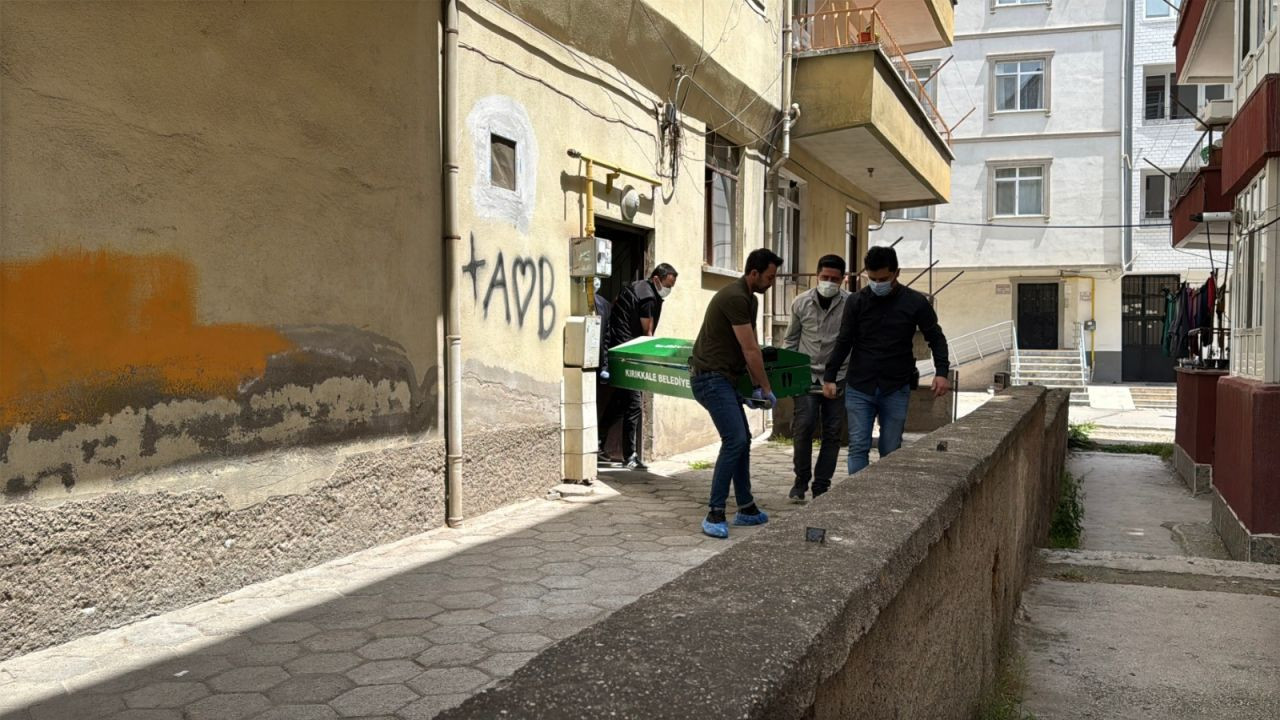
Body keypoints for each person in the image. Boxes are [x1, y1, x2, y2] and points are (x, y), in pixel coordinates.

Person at [823, 246, 950, 474]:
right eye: (872, 279)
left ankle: (884, 495)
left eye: (883, 278)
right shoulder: (856, 302)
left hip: (896, 386)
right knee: (858, 446)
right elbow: (844, 341)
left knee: (891, 449)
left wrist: (941, 372)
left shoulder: (916, 303)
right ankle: (860, 498)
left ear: (896, 273)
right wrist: (830, 377)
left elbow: (936, 337)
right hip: (860, 384)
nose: (877, 283)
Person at [689, 248, 783, 538]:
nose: (772, 283)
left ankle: (746, 508)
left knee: (743, 441)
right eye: (769, 277)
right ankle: (715, 512)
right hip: (710, 379)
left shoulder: (749, 299)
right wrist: (766, 388)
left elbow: (747, 348)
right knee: (735, 440)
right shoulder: (735, 297)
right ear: (753, 273)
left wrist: (754, 386)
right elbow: (750, 348)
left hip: (724, 379)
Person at [782, 254, 850, 502]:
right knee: (804, 426)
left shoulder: (851, 304)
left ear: (842, 279)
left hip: (838, 376)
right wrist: (789, 372)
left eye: (834, 279)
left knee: (832, 432)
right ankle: (800, 482)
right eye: (824, 277)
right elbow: (791, 339)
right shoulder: (801, 303)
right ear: (817, 275)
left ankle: (821, 486)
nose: (828, 282)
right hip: (806, 375)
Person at [600, 263, 679, 470]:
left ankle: (598, 442)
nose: (668, 290)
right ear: (656, 279)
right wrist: (650, 359)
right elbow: (647, 333)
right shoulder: (648, 297)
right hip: (629, 353)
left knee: (619, 401)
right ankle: (630, 455)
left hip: (618, 348)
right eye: (667, 285)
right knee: (634, 403)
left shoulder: (636, 287)